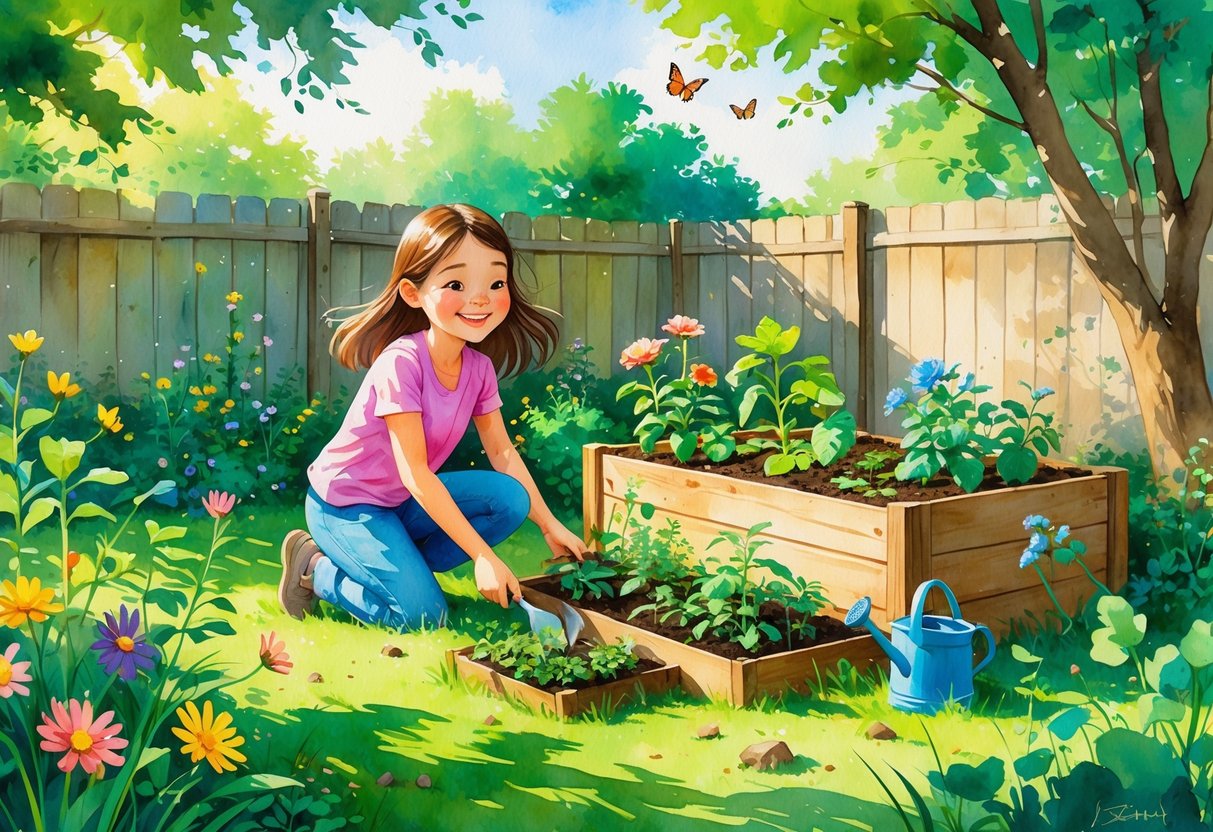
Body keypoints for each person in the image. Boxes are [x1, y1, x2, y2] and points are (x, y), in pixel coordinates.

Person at [278, 203, 590, 630]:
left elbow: (502, 453)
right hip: (347, 505)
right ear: (412, 293)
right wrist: (483, 555)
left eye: (495, 281)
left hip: (400, 505)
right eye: (457, 283)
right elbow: (416, 474)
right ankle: (316, 569)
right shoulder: (402, 363)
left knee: (509, 499)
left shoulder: (478, 369)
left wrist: (550, 525)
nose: (480, 298)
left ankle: (397, 570)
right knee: (424, 617)